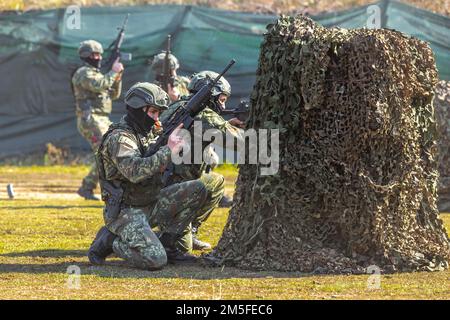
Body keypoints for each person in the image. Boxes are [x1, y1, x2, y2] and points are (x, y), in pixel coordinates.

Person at [88, 82, 221, 270]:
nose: (156, 118)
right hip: (126, 211)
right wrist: (169, 149)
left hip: (152, 201)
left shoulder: (150, 132)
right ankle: (113, 242)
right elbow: (135, 172)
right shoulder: (120, 138)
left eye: (159, 113)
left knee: (198, 188)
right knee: (156, 260)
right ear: (137, 109)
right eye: (152, 112)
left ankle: (167, 242)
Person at [160, 71, 245, 250]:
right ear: (210, 95)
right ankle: (174, 234)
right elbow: (242, 143)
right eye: (221, 99)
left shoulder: (177, 107)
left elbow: (201, 130)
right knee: (180, 250)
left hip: (160, 185)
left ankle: (185, 231)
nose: (223, 105)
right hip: (175, 191)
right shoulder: (204, 115)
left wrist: (227, 125)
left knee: (214, 180)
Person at [72, 40, 124, 200]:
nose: (98, 57)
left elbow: (114, 94)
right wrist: (113, 72)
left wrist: (118, 76)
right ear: (86, 55)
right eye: (95, 54)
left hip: (102, 118)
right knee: (105, 153)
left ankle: (93, 187)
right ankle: (89, 187)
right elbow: (98, 85)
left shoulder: (98, 73)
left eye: (100, 54)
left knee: (113, 150)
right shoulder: (83, 73)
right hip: (91, 118)